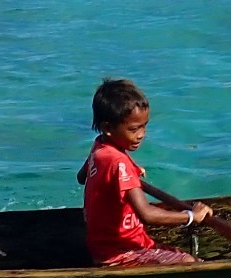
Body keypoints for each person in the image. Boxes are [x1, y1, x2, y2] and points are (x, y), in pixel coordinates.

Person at [76, 78, 212, 267]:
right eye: (133, 129)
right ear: (108, 128)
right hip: (120, 253)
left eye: (144, 125)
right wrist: (191, 216)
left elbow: (81, 177)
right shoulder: (119, 163)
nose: (141, 134)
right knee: (190, 262)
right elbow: (146, 214)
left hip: (104, 246)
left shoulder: (99, 146)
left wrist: (124, 177)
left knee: (179, 254)